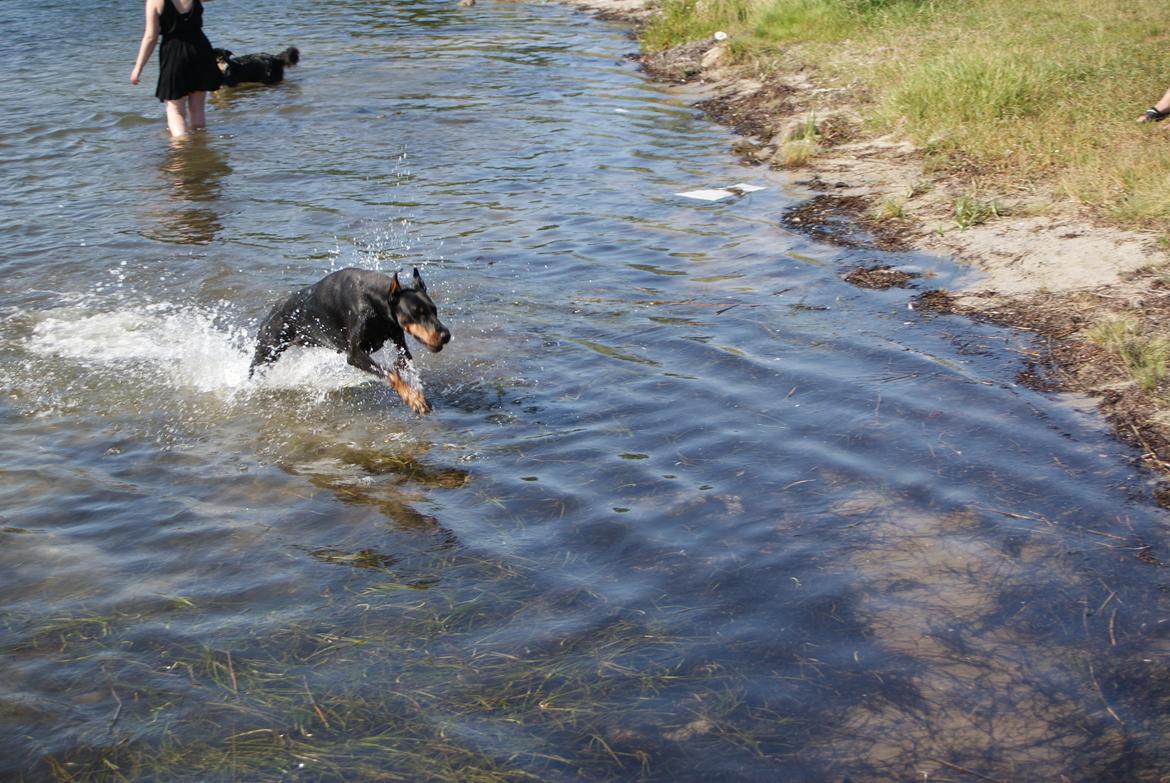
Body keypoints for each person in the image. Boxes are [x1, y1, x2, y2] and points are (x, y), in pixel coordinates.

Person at [130, 0, 222, 138]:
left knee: (175, 109)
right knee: (197, 109)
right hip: (200, 50)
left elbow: (151, 37)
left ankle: (181, 149)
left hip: (173, 53)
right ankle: (200, 144)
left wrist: (138, 67)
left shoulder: (154, 1)